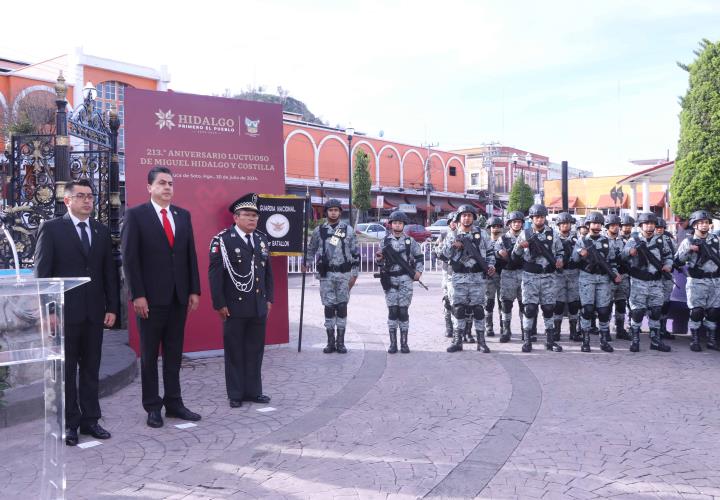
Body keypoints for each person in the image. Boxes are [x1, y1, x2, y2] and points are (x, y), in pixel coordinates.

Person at [34, 179, 119, 446]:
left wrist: (113, 307)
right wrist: (49, 310)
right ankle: (70, 423)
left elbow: (109, 273)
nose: (87, 201)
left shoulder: (101, 230)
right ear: (67, 200)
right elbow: (42, 274)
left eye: (90, 196)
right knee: (67, 371)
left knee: (91, 369)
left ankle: (91, 420)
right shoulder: (51, 229)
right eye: (81, 196)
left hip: (94, 313)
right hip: (64, 314)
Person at [121, 166, 202, 428]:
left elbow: (190, 255)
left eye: (170, 183)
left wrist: (193, 290)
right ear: (150, 187)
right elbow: (130, 260)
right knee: (149, 355)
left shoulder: (183, 215)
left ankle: (174, 402)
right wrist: (138, 296)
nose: (168, 187)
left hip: (179, 297)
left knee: (174, 353)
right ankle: (152, 406)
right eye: (162, 183)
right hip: (150, 300)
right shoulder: (136, 215)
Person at [208, 194, 273, 407]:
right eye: (247, 215)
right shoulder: (223, 240)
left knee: (255, 350)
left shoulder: (262, 239)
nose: (252, 219)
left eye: (255, 215)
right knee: (235, 350)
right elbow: (215, 275)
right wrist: (219, 304)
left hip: (257, 305)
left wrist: (269, 298)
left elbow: (267, 273)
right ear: (236, 218)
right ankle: (235, 394)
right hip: (234, 306)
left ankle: (254, 391)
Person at [303, 199, 359, 353]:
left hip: (343, 274)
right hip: (326, 275)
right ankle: (330, 342)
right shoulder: (318, 231)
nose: (333, 212)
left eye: (336, 210)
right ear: (326, 212)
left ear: (340, 212)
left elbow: (355, 254)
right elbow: (311, 249)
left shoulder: (348, 230)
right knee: (328, 308)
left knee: (341, 307)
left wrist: (354, 275)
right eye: (330, 210)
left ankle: (341, 342)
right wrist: (306, 262)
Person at [442, 204, 496, 353]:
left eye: (469, 216)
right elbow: (443, 254)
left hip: (477, 277)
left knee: (478, 310)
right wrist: (454, 242)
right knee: (458, 309)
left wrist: (491, 265)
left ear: (473, 218)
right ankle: (457, 341)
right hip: (458, 278)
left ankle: (481, 342)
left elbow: (491, 251)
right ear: (459, 218)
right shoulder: (453, 234)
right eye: (464, 216)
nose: (466, 218)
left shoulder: (482, 234)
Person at [513, 204, 565, 352]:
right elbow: (514, 257)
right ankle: (527, 340)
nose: (539, 219)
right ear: (532, 218)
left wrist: (560, 260)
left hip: (548, 276)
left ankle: (550, 340)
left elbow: (560, 251)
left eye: (542, 216)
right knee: (529, 309)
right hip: (530, 277)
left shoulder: (553, 234)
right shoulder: (525, 234)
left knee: (549, 308)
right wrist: (520, 247)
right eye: (536, 217)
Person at [621, 212, 673, 352]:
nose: (649, 226)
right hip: (639, 281)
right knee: (637, 312)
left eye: (652, 224)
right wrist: (629, 252)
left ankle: (655, 341)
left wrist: (668, 265)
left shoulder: (662, 241)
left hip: (656, 281)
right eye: (646, 224)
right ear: (641, 226)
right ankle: (635, 340)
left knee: (656, 311)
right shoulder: (634, 240)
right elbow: (622, 256)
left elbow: (669, 256)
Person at [572, 212, 622, 352]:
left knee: (604, 310)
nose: (596, 226)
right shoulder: (581, 241)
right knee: (587, 310)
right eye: (594, 223)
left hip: (604, 279)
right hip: (587, 278)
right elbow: (574, 260)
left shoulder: (607, 242)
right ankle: (585, 340)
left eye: (599, 224)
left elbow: (612, 262)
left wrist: (616, 274)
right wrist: (580, 254)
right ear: (588, 225)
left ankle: (604, 340)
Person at [376, 211, 424, 353]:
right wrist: (378, 260)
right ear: (390, 225)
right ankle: (393, 344)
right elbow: (380, 262)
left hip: (405, 280)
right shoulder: (385, 241)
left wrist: (418, 272)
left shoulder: (410, 241)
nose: (397, 225)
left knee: (403, 311)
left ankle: (404, 343)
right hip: (389, 279)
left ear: (403, 225)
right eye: (395, 223)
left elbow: (419, 258)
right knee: (392, 311)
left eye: (400, 223)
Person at [675, 210, 720, 351]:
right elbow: (677, 261)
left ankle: (711, 340)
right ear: (694, 225)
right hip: (697, 282)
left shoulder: (716, 240)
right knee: (697, 311)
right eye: (700, 223)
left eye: (706, 222)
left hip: (715, 281)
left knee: (713, 311)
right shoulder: (688, 241)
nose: (704, 225)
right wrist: (689, 250)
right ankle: (695, 340)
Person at [495, 211, 526, 343]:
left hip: (524, 274)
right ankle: (506, 330)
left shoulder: (527, 237)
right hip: (508, 274)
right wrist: (498, 253)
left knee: (524, 304)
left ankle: (526, 330)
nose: (517, 224)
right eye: (514, 222)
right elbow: (496, 253)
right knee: (506, 304)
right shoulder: (502, 238)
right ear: (509, 224)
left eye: (519, 222)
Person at [553, 212, 581, 341]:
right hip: (558, 274)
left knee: (574, 304)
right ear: (558, 225)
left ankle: (573, 331)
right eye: (563, 223)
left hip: (574, 274)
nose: (565, 225)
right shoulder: (553, 238)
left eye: (567, 223)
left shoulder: (578, 239)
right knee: (558, 303)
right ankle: (556, 330)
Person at [604, 214, 630, 340]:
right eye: (612, 225)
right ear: (607, 227)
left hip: (623, 276)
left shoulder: (625, 241)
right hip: (608, 277)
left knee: (621, 303)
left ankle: (620, 329)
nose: (615, 228)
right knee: (607, 304)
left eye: (617, 225)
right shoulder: (602, 241)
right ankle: (605, 329)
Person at [436, 212, 457, 338]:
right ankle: (449, 327)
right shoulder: (444, 235)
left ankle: (462, 328)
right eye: (452, 221)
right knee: (448, 300)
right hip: (447, 270)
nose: (454, 224)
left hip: (461, 271)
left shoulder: (464, 234)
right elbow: (437, 252)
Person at [655, 217, 677, 340]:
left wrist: (669, 265)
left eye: (661, 227)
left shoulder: (669, 240)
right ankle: (655, 329)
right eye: (657, 227)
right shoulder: (647, 240)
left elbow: (675, 256)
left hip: (666, 276)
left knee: (665, 303)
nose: (659, 229)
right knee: (654, 304)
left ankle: (662, 328)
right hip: (652, 277)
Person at [485, 217, 504, 338]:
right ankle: (489, 326)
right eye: (493, 226)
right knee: (489, 302)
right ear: (489, 228)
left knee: (503, 303)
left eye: (498, 226)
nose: (496, 228)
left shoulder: (505, 240)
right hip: (489, 276)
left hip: (504, 275)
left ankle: (504, 327)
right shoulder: (485, 241)